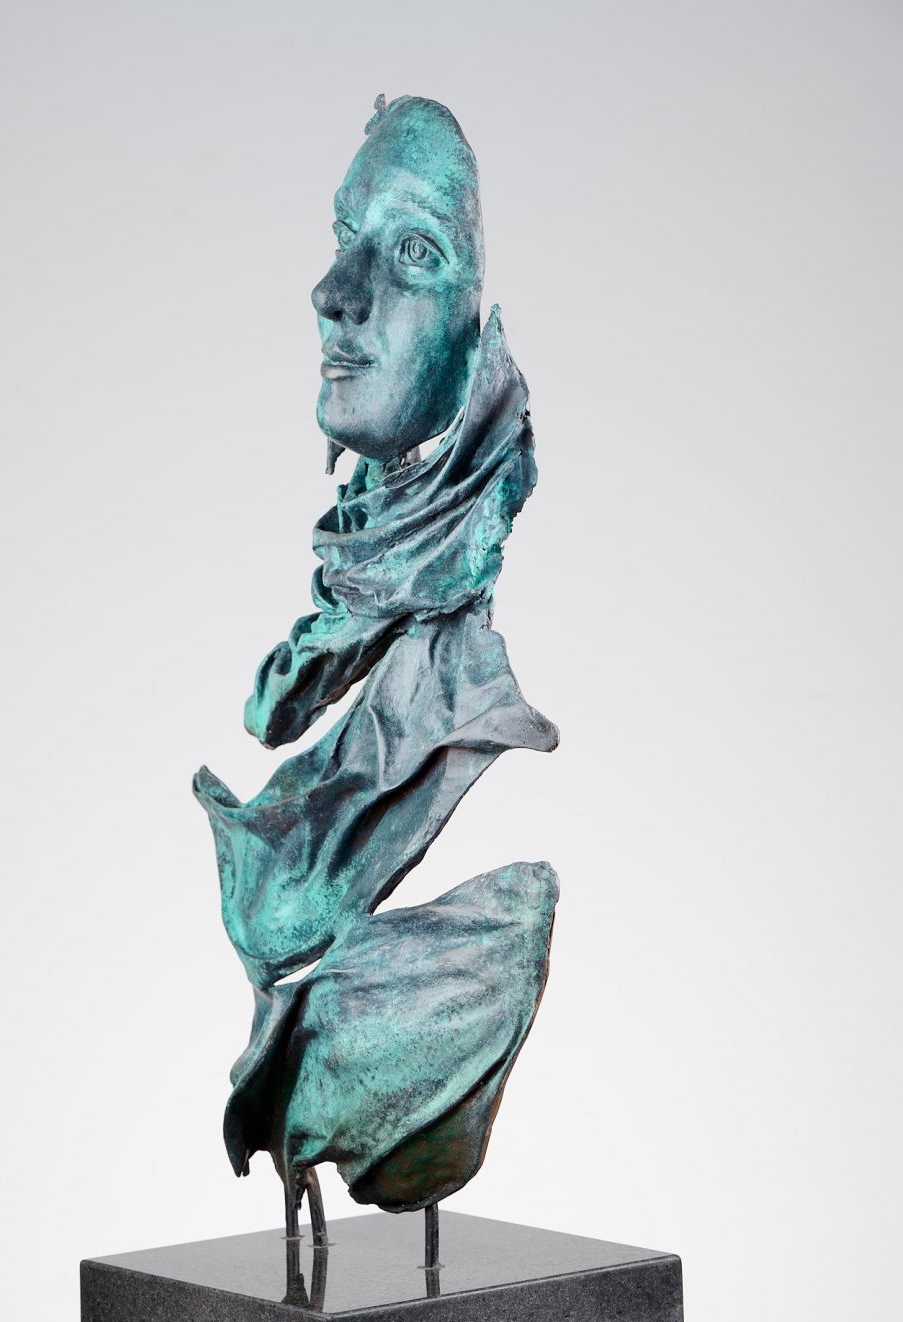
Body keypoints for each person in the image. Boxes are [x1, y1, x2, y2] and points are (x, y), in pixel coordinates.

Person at [194, 97, 559, 1239]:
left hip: (383, 959)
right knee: (279, 911)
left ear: (473, 337)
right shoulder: (359, 585)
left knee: (465, 924)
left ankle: (335, 1094)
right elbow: (274, 709)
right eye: (345, 238)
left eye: (411, 252)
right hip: (301, 920)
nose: (334, 293)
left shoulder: (453, 657)